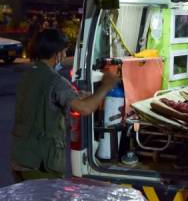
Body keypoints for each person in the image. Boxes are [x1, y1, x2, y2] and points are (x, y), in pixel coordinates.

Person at [11, 29, 120, 182]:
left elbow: (45, 100)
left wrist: (79, 96)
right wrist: (106, 86)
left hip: (20, 158)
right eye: (63, 52)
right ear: (58, 54)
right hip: (40, 165)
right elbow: (85, 109)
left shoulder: (30, 74)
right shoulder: (55, 81)